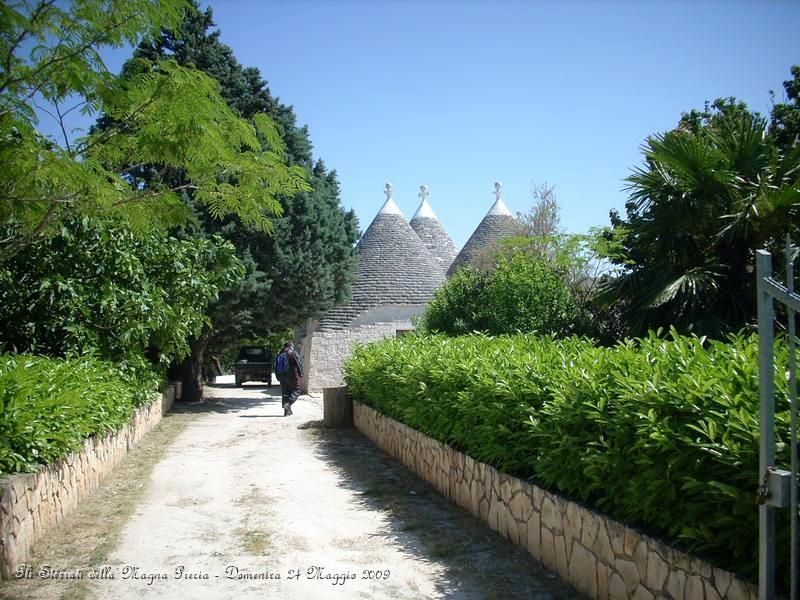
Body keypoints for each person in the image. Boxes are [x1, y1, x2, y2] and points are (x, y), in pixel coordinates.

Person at [275, 341, 303, 416]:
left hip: (282, 377)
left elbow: (275, 367)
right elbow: (298, 363)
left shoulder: (279, 354)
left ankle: (286, 412)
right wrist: (301, 374)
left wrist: (278, 377)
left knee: (285, 393)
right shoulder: (293, 353)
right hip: (292, 376)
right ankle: (288, 404)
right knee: (297, 390)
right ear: (291, 346)